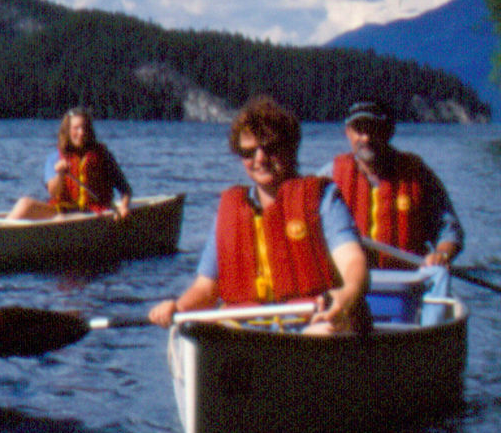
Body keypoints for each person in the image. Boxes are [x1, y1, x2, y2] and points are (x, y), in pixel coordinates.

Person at [148, 95, 368, 334]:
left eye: (270, 148)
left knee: (323, 332)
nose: (259, 159)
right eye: (248, 152)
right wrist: (177, 306)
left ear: (290, 148)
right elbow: (205, 289)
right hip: (250, 328)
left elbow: (353, 261)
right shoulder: (230, 209)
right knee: (195, 330)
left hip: (314, 322)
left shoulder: (324, 198)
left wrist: (348, 293)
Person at [320, 100, 463, 269]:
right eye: (359, 130)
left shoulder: (418, 176)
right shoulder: (329, 177)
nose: (366, 138)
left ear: (389, 131)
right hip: (347, 283)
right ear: (348, 133)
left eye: (373, 128)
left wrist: (441, 254)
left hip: (406, 283)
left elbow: (449, 232)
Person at [6, 107, 133, 221]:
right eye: (76, 128)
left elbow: (125, 189)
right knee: (24, 204)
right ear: (67, 131)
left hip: (93, 212)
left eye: (84, 128)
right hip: (64, 211)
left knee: (60, 219)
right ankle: (2, 233)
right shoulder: (55, 158)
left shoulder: (103, 156)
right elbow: (54, 193)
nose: (81, 133)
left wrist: (124, 206)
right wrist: (60, 175)